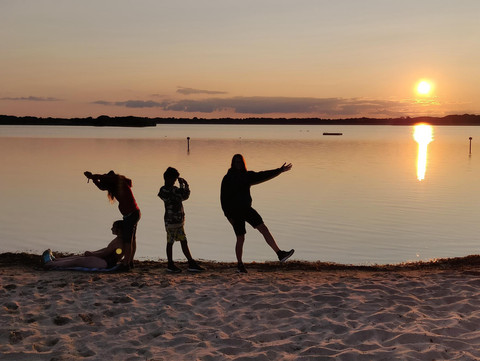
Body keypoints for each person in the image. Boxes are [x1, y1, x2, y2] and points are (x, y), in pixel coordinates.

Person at [221, 154, 295, 273]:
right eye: (236, 162)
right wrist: (229, 216)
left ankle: (280, 254)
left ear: (243, 163)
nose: (238, 164)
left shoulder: (247, 176)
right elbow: (223, 200)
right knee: (240, 238)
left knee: (263, 228)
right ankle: (240, 265)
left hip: (247, 209)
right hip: (235, 213)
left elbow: (263, 175)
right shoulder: (228, 178)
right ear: (233, 163)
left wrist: (280, 170)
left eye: (240, 162)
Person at [84, 170, 140, 270]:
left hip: (132, 215)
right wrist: (94, 180)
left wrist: (93, 176)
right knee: (131, 239)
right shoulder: (115, 186)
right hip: (132, 214)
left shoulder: (119, 180)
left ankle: (126, 264)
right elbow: (102, 186)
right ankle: (130, 262)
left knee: (128, 240)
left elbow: (106, 179)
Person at [158, 167, 204, 273]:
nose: (174, 182)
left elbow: (183, 196)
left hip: (178, 221)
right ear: (167, 178)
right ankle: (170, 264)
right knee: (170, 242)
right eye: (173, 179)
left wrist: (183, 185)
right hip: (170, 222)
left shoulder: (171, 190)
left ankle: (191, 263)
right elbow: (179, 197)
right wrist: (182, 187)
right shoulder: (165, 190)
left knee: (183, 241)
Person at [42, 220, 126, 270]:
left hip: (105, 263)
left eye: (113, 227)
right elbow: (105, 249)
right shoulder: (118, 239)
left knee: (77, 261)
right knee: (78, 257)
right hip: (103, 260)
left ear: (118, 230)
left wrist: (92, 254)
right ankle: (56, 260)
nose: (111, 229)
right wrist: (92, 253)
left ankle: (50, 264)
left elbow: (105, 253)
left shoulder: (119, 242)